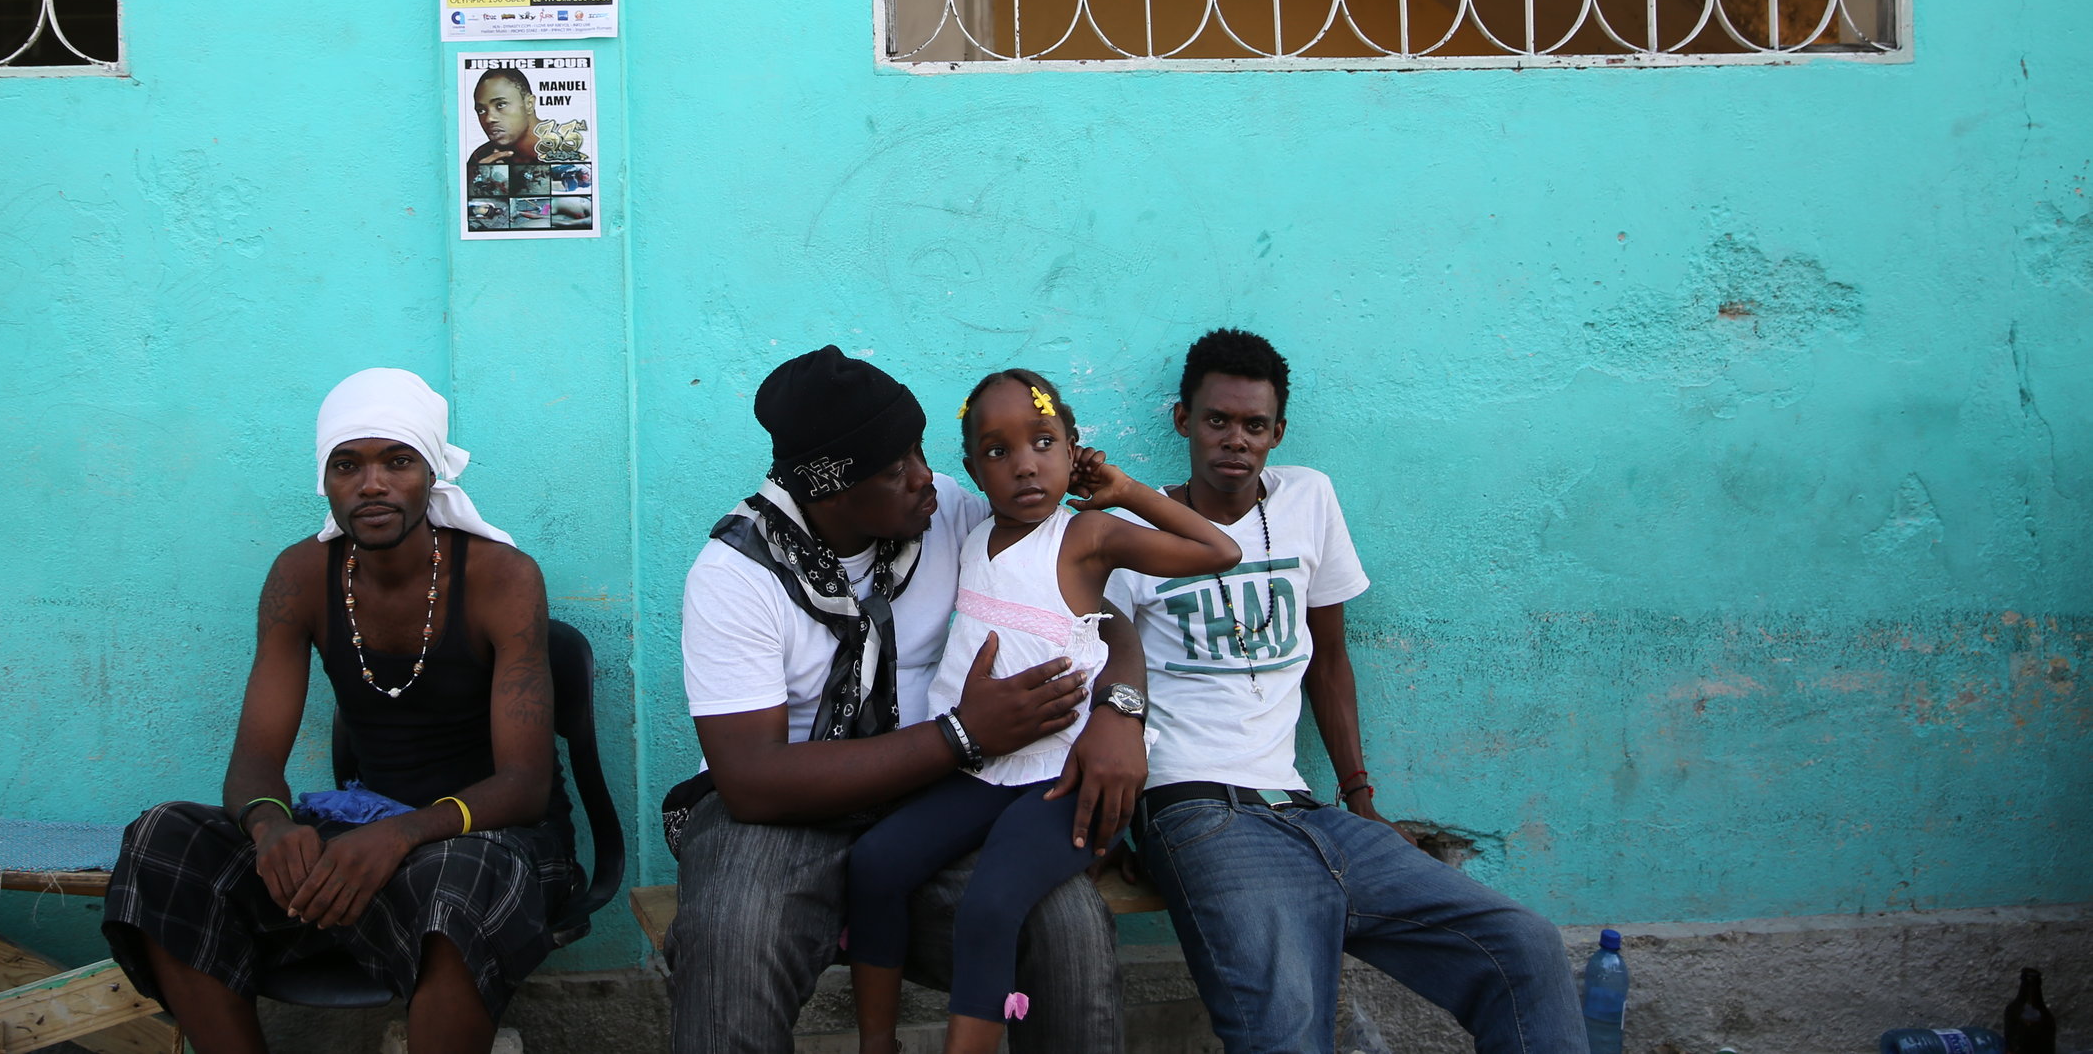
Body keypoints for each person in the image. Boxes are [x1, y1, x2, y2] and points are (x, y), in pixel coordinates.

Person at [666, 346, 1152, 1054]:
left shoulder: (946, 514)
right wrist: (963, 733)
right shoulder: (736, 573)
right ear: (830, 494)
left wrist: (1120, 710)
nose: (928, 479)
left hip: (937, 801)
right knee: (731, 936)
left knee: (1065, 924)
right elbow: (750, 782)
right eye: (897, 470)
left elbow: (1100, 619)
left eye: (920, 450)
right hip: (784, 813)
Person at [1113, 330, 1582, 1054]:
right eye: (1217, 420)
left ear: (1278, 433)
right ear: (1183, 420)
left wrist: (1360, 799)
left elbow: (1328, 658)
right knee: (1288, 1033)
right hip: (1198, 807)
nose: (1234, 440)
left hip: (1306, 813)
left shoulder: (1309, 497)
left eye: (1254, 425)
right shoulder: (1129, 532)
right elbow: (1102, 681)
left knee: (1525, 946)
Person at [104, 370, 579, 1054]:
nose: (373, 483)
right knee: (162, 841)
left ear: (432, 472)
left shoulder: (502, 578)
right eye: (347, 464)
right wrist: (269, 826)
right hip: (360, 835)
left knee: (455, 877)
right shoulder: (301, 577)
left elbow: (525, 785)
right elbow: (254, 762)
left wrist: (401, 836)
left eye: (398, 460)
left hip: (496, 845)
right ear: (325, 480)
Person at [847, 370, 1236, 1054]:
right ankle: (877, 1042)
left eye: (1044, 441)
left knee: (992, 903)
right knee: (876, 862)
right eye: (997, 451)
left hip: (1059, 781)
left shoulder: (1085, 537)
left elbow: (1218, 551)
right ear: (970, 469)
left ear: (1072, 448)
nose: (1024, 463)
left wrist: (1125, 492)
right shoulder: (967, 534)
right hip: (975, 768)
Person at [464, 68, 541, 169]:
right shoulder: (480, 158)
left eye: (500, 105)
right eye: (481, 110)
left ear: (529, 104)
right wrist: (479, 178)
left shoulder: (565, 146)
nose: (489, 119)